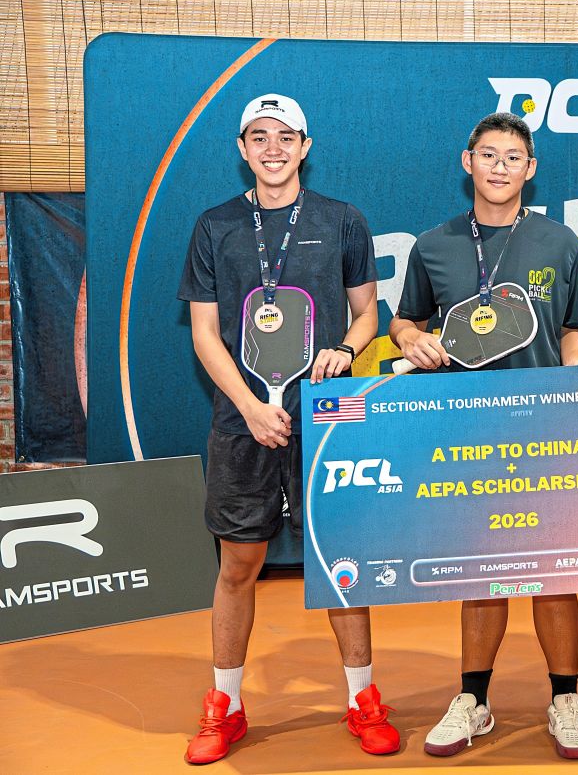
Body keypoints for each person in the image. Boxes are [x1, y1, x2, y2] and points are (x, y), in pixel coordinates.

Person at [178, 94, 395, 763]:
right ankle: (226, 706)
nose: (272, 148)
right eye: (259, 137)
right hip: (242, 421)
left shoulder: (342, 220)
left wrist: (348, 349)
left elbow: (368, 312)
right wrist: (249, 405)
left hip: (327, 419)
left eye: (285, 137)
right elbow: (204, 333)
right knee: (239, 565)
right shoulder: (215, 226)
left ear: (305, 146)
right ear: (242, 149)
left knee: (338, 564)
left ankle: (362, 699)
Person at [388, 112, 578, 760]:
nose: (499, 166)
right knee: (482, 571)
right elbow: (403, 321)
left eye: (512, 157)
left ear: (530, 169)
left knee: (554, 570)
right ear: (467, 161)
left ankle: (566, 699)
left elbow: (572, 328)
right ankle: (473, 700)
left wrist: (577, 376)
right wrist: (411, 339)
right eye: (488, 154)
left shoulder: (561, 242)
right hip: (467, 433)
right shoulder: (433, 245)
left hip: (546, 430)